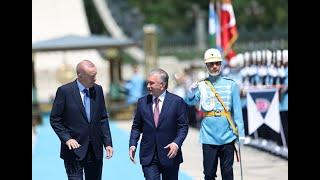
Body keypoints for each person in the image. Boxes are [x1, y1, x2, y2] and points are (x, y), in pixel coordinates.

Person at [186, 48, 245, 180]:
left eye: (217, 63)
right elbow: (189, 102)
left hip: (227, 135)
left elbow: (237, 112)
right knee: (209, 174)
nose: (214, 66)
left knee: (227, 173)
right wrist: (190, 92)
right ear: (206, 65)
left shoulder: (231, 85)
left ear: (221, 64)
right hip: (209, 135)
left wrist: (241, 134)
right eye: (211, 64)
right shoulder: (202, 85)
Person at [50, 60, 113, 180]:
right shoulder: (64, 91)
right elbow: (55, 119)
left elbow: (103, 118)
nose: (95, 78)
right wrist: (67, 139)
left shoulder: (98, 90)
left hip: (95, 150)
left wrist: (108, 143)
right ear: (80, 75)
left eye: (95, 75)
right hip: (73, 150)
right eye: (92, 76)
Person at [129, 68, 189, 180]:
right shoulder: (142, 102)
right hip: (149, 156)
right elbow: (136, 126)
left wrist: (176, 144)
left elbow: (183, 127)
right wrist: (133, 144)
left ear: (162, 85)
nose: (148, 86)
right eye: (148, 82)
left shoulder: (177, 102)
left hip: (170, 154)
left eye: (151, 83)